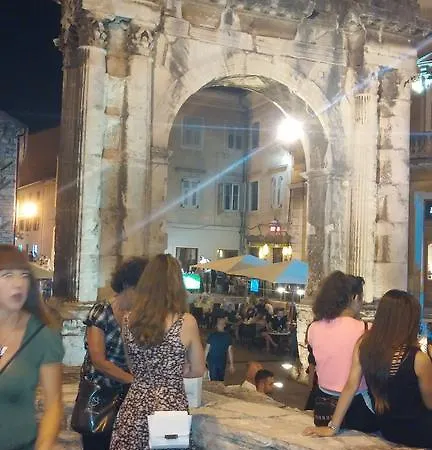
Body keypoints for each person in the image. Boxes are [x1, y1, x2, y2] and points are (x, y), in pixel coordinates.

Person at [305, 290, 432, 448]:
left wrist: (333, 427)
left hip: (389, 428)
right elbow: (429, 404)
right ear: (410, 321)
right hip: (419, 430)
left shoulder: (364, 345)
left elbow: (350, 386)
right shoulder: (418, 359)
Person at [110, 254, 205, 450]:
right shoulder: (186, 322)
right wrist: (174, 370)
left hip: (135, 406)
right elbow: (198, 369)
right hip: (169, 409)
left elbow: (132, 367)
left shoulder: (128, 320)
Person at [77, 257, 148, 450]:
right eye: (140, 289)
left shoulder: (141, 317)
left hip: (127, 395)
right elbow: (98, 360)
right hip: (99, 394)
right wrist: (134, 381)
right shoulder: (102, 311)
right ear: (126, 285)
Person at [0, 244, 64, 450]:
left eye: (24, 275)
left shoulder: (42, 335)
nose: (18, 283)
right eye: (8, 275)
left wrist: (44, 446)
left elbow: (53, 404)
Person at [306, 271, 377, 432]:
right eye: (361, 298)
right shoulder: (367, 330)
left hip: (323, 408)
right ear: (354, 298)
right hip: (357, 408)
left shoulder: (313, 328)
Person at [205, 314, 235, 381]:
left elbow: (230, 351)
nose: (221, 325)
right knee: (216, 379)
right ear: (217, 325)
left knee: (218, 379)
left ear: (224, 325)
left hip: (218, 361)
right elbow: (206, 350)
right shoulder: (214, 336)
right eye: (220, 323)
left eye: (222, 324)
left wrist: (231, 364)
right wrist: (231, 365)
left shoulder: (213, 336)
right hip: (214, 362)